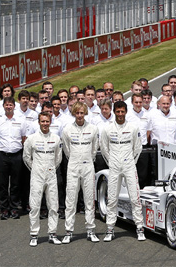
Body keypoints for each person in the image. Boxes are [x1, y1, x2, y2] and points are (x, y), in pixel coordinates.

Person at [99, 101, 144, 242]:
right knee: (112, 198)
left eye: (122, 111)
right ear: (114, 112)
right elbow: (104, 148)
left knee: (135, 198)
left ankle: (139, 228)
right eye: (117, 112)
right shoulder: (107, 129)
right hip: (114, 166)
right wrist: (112, 162)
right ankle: (110, 229)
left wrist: (131, 162)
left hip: (129, 164)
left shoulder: (133, 127)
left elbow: (138, 148)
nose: (120, 114)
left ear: (126, 111)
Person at [61, 102, 100, 244]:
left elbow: (95, 148)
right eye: (77, 113)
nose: (79, 116)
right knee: (70, 200)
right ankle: (69, 231)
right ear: (74, 113)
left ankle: (91, 230)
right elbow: (66, 149)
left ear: (85, 113)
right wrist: (75, 159)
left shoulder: (93, 129)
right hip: (73, 166)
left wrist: (88, 159)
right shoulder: (67, 129)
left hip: (88, 166)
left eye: (82, 113)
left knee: (89, 200)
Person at [23, 112, 63, 246]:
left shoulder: (56, 138)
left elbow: (58, 158)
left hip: (51, 175)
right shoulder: (31, 138)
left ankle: (52, 233)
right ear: (39, 122)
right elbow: (26, 157)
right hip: (37, 175)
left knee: (53, 206)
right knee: (34, 205)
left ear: (50, 122)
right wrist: (35, 169)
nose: (45, 124)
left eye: (47, 121)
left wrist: (51, 168)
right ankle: (34, 235)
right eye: (42, 121)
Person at [0, 97, 28, 220]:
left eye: (10, 105)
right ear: (3, 106)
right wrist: (1, 147)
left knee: (16, 183)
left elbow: (24, 138)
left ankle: (14, 208)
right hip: (2, 155)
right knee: (2, 183)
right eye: (6, 105)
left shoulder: (21, 121)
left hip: (17, 155)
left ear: (14, 106)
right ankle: (4, 209)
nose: (9, 107)